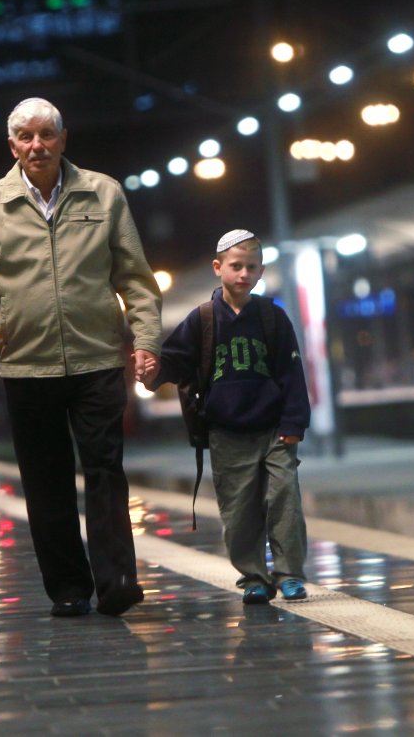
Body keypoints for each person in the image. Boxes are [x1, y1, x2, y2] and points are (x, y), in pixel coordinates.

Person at [0, 97, 162, 618]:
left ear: (65, 139)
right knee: (45, 481)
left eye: (46, 135)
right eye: (26, 137)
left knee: (106, 470)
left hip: (99, 360)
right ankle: (68, 587)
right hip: (25, 365)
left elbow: (135, 279)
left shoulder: (103, 194)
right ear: (12, 145)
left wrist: (147, 342)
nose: (36, 145)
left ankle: (117, 581)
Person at [141, 230, 311, 604]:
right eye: (235, 266)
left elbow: (291, 373)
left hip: (273, 431)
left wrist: (294, 424)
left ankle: (290, 575)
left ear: (262, 271)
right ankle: (253, 577)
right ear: (218, 268)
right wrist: (152, 372)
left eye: (251, 267)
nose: (243, 274)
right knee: (238, 511)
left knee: (285, 501)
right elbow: (175, 360)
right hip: (226, 433)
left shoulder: (272, 318)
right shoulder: (202, 319)